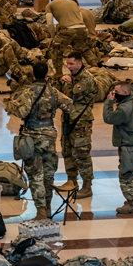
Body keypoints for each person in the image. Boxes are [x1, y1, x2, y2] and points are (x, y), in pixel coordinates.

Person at [5, 62, 74, 221]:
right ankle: (48, 209)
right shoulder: (53, 91)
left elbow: (21, 111)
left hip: (33, 138)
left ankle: (41, 213)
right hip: (49, 137)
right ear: (47, 75)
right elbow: (70, 106)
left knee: (36, 176)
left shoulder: (28, 92)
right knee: (48, 175)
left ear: (32, 74)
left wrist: (11, 105)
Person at [54, 52, 96, 198]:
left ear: (80, 63)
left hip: (81, 122)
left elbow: (69, 95)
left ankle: (87, 186)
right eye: (68, 64)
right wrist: (61, 80)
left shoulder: (86, 79)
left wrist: (65, 84)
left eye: (71, 64)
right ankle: (71, 180)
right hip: (68, 119)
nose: (69, 67)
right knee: (67, 150)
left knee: (82, 153)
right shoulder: (73, 77)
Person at [103, 81, 133, 214]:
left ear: (125, 92)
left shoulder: (124, 108)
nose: (114, 95)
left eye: (116, 92)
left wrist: (109, 103)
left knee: (126, 174)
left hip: (128, 144)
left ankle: (131, 203)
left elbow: (108, 118)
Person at [45, 0, 93, 76]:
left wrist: (53, 37)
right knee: (84, 49)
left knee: (56, 50)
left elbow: (49, 23)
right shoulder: (72, 3)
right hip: (81, 28)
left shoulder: (50, 5)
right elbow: (80, 16)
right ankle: (95, 67)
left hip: (67, 29)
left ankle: (59, 73)